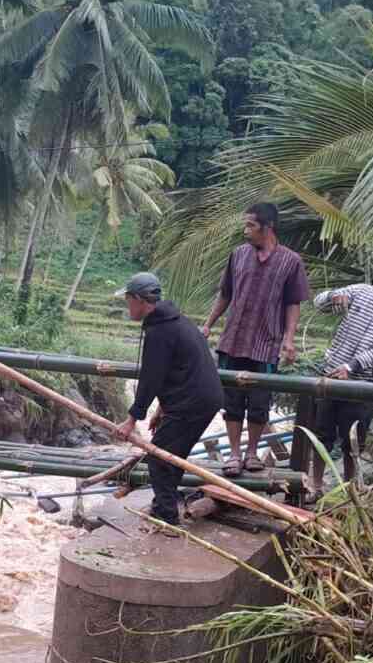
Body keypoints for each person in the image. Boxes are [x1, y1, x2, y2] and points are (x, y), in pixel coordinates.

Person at [202, 202, 309, 476]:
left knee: (260, 403)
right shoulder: (238, 255)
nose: (245, 230)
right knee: (233, 402)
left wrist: (289, 339)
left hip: (267, 343)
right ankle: (235, 454)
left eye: (250, 225)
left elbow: (293, 303)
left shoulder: (290, 261)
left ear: (267, 227)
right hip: (233, 340)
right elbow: (225, 293)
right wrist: (208, 325)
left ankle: (252, 454)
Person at [299, 261, 373, 498]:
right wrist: (334, 297)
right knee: (322, 433)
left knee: (353, 440)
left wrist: (351, 366)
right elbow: (319, 302)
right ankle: (316, 487)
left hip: (364, 384)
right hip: (331, 374)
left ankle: (349, 491)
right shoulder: (364, 291)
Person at [114, 272, 224, 528]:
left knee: (159, 458)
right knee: (171, 457)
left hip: (192, 402)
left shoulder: (160, 331)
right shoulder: (174, 321)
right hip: (203, 398)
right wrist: (161, 410)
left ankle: (167, 518)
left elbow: (151, 378)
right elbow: (174, 371)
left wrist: (132, 419)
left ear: (140, 300)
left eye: (128, 300)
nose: (127, 305)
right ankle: (165, 505)